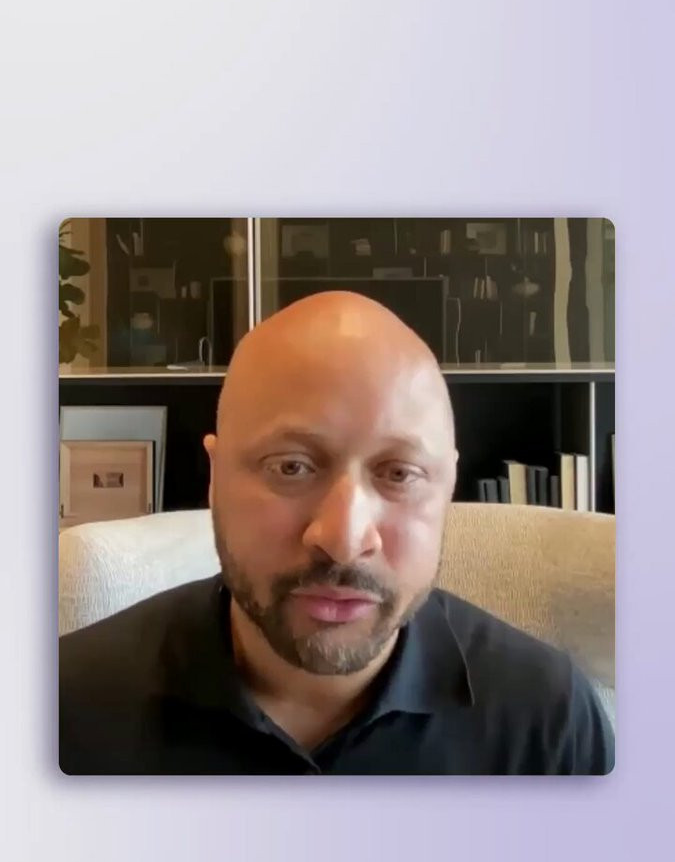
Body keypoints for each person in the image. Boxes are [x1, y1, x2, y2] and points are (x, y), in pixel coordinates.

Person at [59, 292, 614, 775]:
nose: (344, 540)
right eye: (291, 467)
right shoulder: (63, 708)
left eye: (399, 474)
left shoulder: (547, 725)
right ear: (215, 478)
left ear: (447, 486)